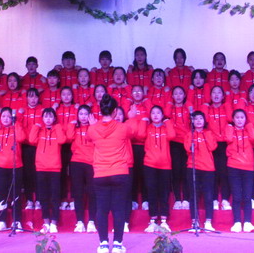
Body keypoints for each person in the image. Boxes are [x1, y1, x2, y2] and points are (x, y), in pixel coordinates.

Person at [87, 94, 135, 253]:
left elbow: (89, 137)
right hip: (119, 172)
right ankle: (117, 244)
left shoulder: (92, 129)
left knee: (101, 209)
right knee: (118, 209)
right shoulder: (123, 127)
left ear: (101, 111)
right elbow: (134, 132)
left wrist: (93, 125)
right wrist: (132, 118)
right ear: (115, 111)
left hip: (100, 173)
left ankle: (103, 244)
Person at [28, 108, 70, 233]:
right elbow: (31, 140)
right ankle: (46, 222)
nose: (48, 119)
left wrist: (57, 127)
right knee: (43, 197)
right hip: (41, 167)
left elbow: (62, 140)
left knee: (55, 197)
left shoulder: (57, 130)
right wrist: (36, 126)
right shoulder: (40, 131)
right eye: (45, 117)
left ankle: (54, 223)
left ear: (54, 118)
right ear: (42, 118)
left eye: (50, 116)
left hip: (55, 168)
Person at [138, 105, 176, 232]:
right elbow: (140, 135)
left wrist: (168, 122)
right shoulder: (148, 128)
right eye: (153, 113)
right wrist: (143, 122)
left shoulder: (166, 128)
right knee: (152, 192)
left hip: (165, 165)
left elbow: (172, 136)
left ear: (162, 115)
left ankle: (164, 221)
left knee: (164, 192)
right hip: (150, 165)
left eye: (158, 113)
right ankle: (153, 220)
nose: (155, 115)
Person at [0, 107, 26, 232]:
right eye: (3, 116)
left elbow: (21, 138)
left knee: (16, 195)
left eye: (9, 116)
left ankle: (17, 221)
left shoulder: (16, 129)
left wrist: (16, 123)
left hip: (16, 167)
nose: (6, 119)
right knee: (1, 195)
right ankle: (2, 221)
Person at [225, 109, 254, 233]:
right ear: (233, 119)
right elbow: (228, 139)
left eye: (242, 117)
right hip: (233, 166)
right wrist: (230, 127)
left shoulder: (249, 130)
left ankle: (248, 222)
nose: (239, 120)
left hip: (248, 167)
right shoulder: (230, 130)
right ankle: (237, 222)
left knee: (247, 196)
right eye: (237, 117)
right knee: (237, 196)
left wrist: (248, 125)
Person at [184, 111, 218, 231]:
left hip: (208, 168)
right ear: (192, 121)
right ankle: (195, 222)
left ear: (204, 121)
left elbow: (213, 147)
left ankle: (208, 221)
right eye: (195, 119)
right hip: (193, 167)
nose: (198, 121)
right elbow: (188, 149)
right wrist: (194, 137)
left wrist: (204, 135)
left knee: (208, 195)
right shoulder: (189, 134)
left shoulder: (209, 133)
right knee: (194, 196)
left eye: (200, 119)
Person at [67, 105, 97, 233]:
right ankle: (79, 222)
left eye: (86, 114)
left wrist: (93, 125)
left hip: (91, 163)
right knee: (78, 193)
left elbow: (97, 140)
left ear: (90, 115)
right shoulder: (75, 128)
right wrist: (71, 124)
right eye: (81, 114)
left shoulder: (94, 127)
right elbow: (68, 137)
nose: (83, 117)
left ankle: (91, 221)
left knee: (92, 193)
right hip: (76, 162)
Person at [203, 86, 232, 210]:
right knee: (212, 173)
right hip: (211, 144)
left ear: (223, 96)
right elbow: (204, 121)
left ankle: (225, 199)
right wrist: (205, 106)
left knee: (224, 173)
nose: (216, 95)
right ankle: (214, 199)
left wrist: (227, 104)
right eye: (213, 92)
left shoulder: (226, 108)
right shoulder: (208, 109)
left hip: (225, 144)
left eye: (219, 93)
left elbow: (230, 119)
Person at [18, 88, 44, 208]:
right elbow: (17, 125)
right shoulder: (22, 110)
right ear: (26, 98)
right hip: (25, 146)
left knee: (38, 173)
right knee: (27, 173)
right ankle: (29, 199)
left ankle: (39, 199)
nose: (33, 99)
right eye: (30, 96)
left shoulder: (42, 110)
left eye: (35, 96)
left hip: (39, 146)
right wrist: (19, 114)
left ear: (38, 98)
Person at [165, 86, 190, 210]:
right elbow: (166, 114)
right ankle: (177, 199)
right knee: (176, 172)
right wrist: (170, 103)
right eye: (175, 93)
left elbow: (193, 116)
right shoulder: (171, 108)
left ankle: (186, 199)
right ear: (172, 96)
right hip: (174, 143)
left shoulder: (187, 108)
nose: (178, 96)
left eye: (181, 93)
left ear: (184, 95)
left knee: (185, 172)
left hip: (186, 143)